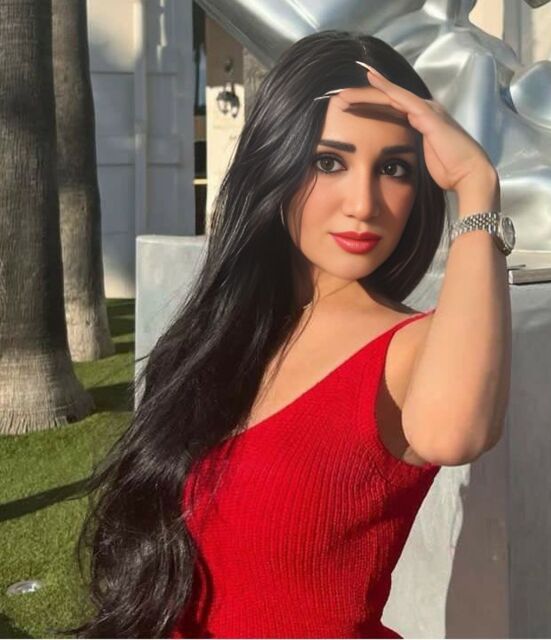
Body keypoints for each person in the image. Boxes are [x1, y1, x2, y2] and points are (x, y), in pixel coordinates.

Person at [71, 29, 511, 639]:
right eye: (329, 162)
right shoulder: (219, 338)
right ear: (274, 162)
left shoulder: (410, 348)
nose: (364, 203)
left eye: (394, 169)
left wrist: (476, 185)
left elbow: (456, 433)